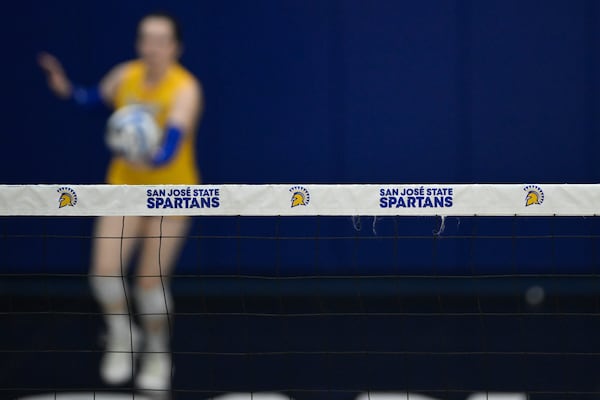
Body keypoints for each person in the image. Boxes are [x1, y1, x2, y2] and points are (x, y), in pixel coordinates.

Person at [38, 12, 203, 394]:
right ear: (138, 43)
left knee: (149, 284)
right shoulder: (124, 76)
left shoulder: (185, 89)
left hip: (171, 195)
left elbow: (169, 148)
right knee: (104, 276)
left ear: (175, 48)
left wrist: (143, 154)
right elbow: (93, 99)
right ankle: (123, 335)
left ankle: (158, 351)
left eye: (161, 40)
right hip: (123, 190)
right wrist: (66, 89)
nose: (152, 47)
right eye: (146, 38)